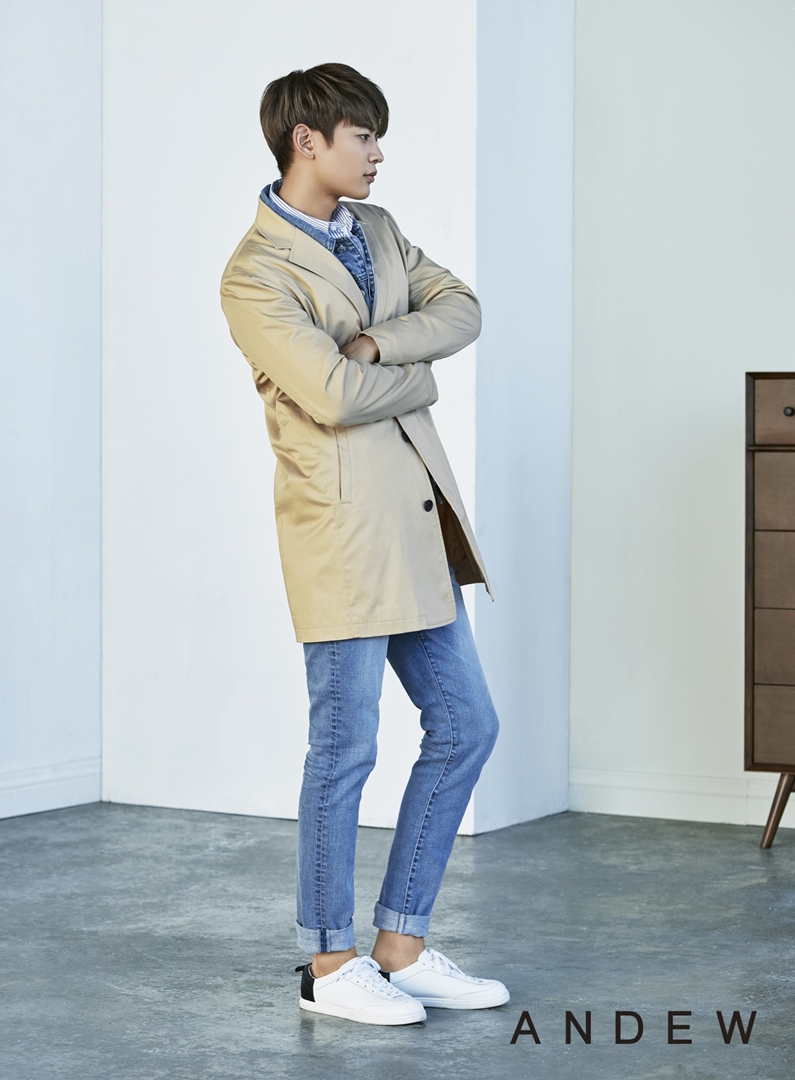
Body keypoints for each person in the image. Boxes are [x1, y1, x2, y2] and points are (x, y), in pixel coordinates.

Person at [220, 62, 508, 1026]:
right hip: (342, 536)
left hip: (418, 525)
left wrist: (383, 344)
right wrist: (421, 378)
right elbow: (332, 397)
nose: (378, 153)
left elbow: (462, 308)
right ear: (307, 141)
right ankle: (328, 962)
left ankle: (400, 947)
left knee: (467, 726)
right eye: (363, 136)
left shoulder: (377, 230)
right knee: (344, 749)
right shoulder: (255, 274)